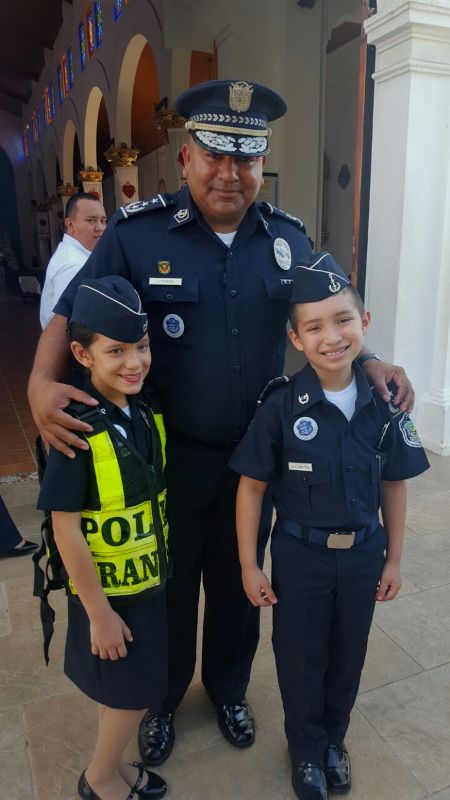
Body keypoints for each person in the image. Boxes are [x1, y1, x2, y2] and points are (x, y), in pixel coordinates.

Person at [27, 79, 414, 765]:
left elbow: (330, 313)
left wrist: (372, 359)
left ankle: (229, 689)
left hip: (256, 460)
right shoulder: (138, 234)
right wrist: (38, 382)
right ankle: (164, 698)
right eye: (215, 155)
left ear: (261, 163)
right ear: (186, 158)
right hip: (172, 457)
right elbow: (71, 312)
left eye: (246, 158)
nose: (230, 173)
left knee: (241, 580)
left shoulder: (287, 238)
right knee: (170, 585)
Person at [229, 252, 429, 800]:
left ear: (365, 322)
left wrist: (394, 558)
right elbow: (251, 488)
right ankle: (305, 748)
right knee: (300, 657)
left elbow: (394, 484)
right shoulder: (280, 406)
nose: (332, 337)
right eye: (314, 327)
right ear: (296, 339)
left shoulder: (386, 403)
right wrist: (249, 564)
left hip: (363, 555)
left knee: (348, 655)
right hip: (301, 557)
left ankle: (333, 741)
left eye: (343, 320)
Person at [37, 276, 169, 800]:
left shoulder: (141, 409)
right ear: (81, 354)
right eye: (116, 351)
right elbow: (64, 526)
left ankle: (113, 766)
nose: (134, 362)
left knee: (123, 689)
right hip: (110, 595)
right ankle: (99, 779)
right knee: (132, 694)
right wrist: (98, 613)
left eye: (142, 347)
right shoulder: (77, 427)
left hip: (147, 584)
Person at [40, 192, 107, 328]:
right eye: (91, 220)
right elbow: (71, 324)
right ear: (70, 225)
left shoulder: (77, 255)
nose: (100, 228)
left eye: (103, 220)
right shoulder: (73, 265)